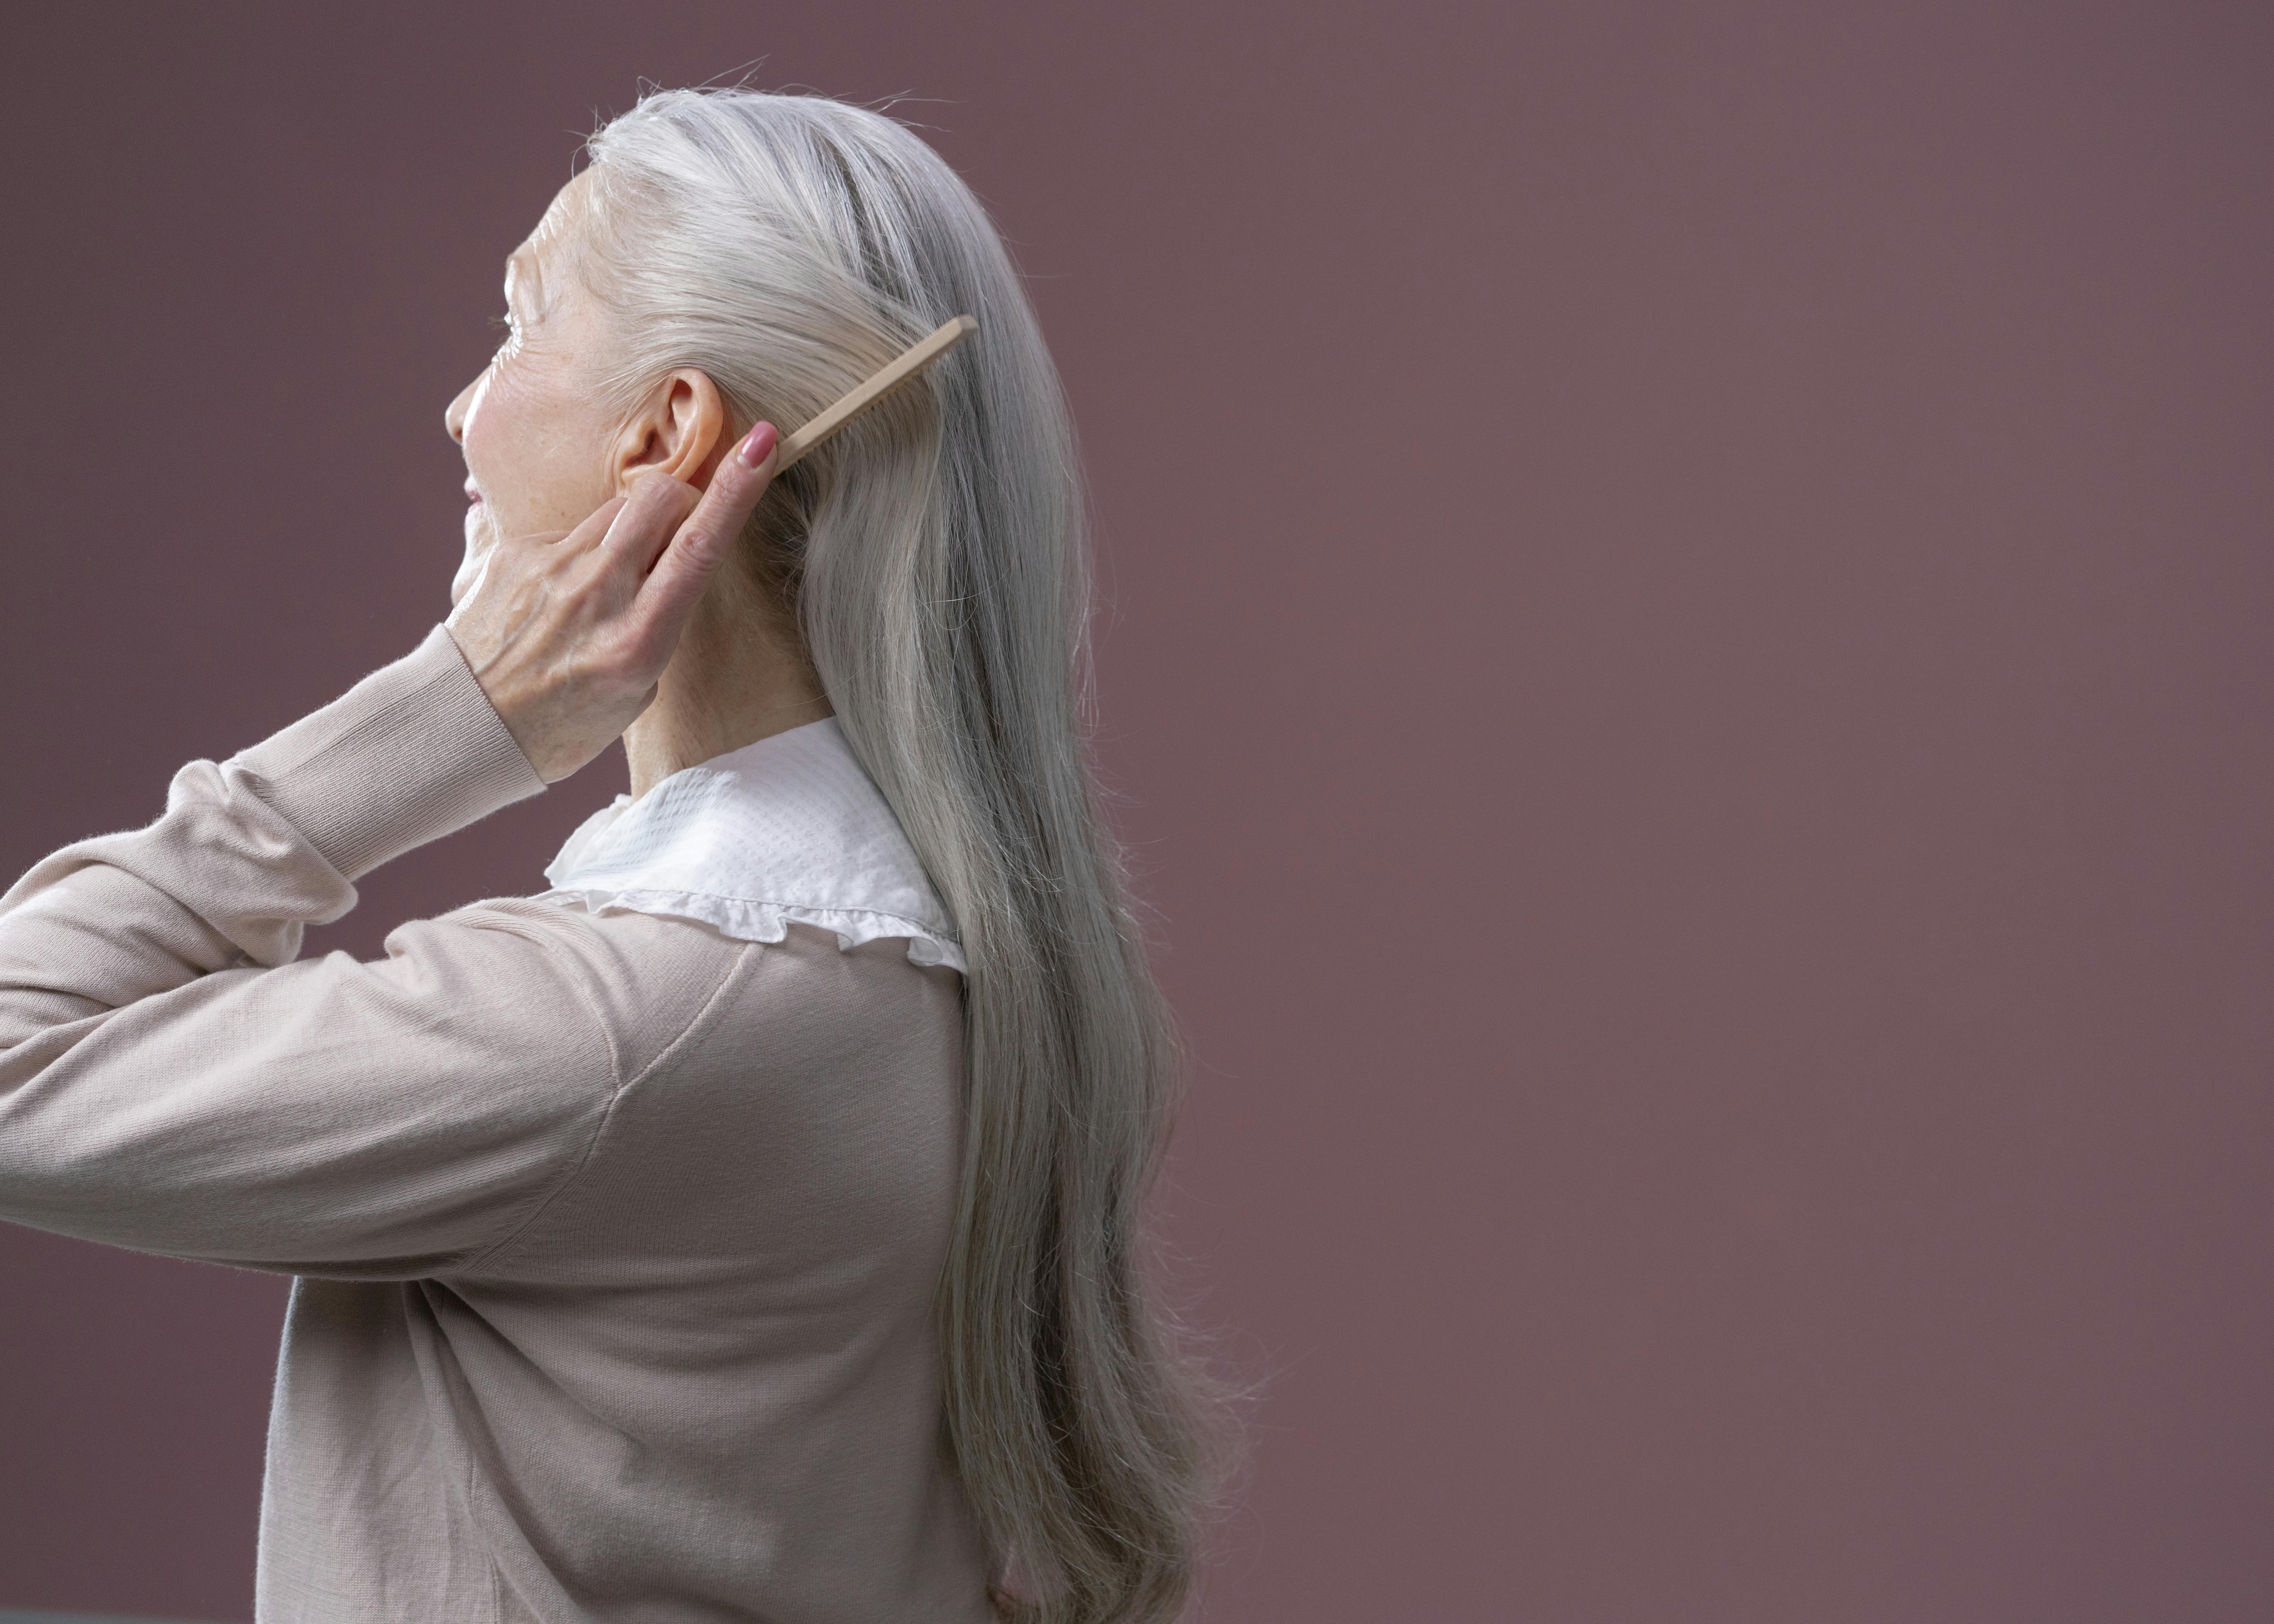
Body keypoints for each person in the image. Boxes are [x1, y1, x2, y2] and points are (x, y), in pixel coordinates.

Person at [0, 86, 1226, 1623]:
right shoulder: (950, 981)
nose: (464, 410)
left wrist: (451, 714)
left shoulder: (620, 1032)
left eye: (518, 328)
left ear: (670, 432)